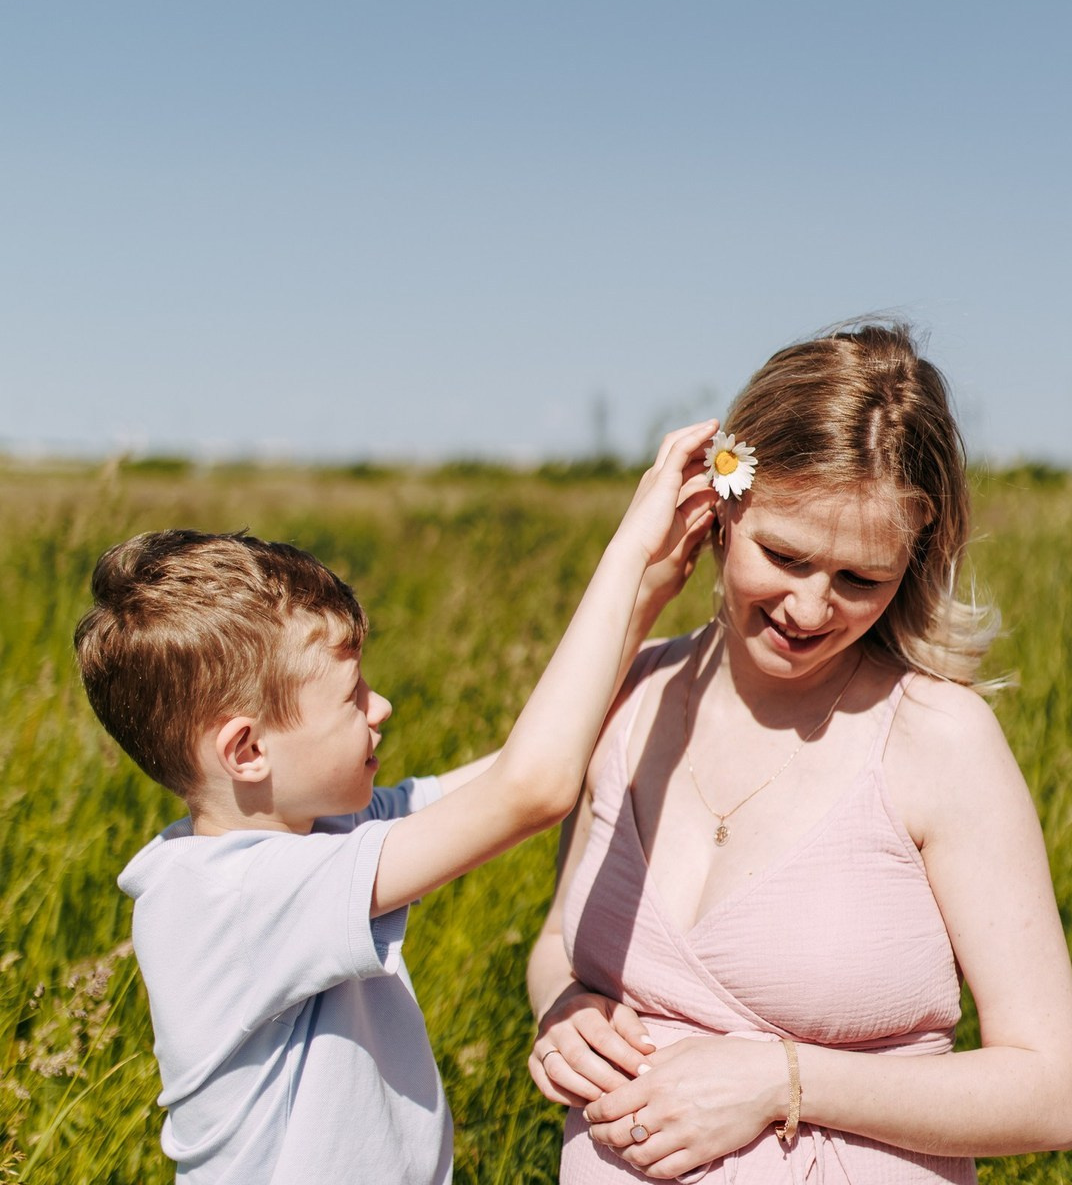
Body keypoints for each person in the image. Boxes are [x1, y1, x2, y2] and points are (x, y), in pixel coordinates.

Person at [73, 420, 720, 1185]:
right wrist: (625, 558)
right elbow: (532, 789)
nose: (379, 708)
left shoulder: (317, 832)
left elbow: (514, 770)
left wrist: (644, 603)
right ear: (246, 751)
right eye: (351, 698)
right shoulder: (231, 895)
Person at [527, 320, 1072, 1183]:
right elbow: (562, 939)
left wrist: (781, 1081)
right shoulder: (628, 696)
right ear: (720, 509)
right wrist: (562, 1011)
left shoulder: (939, 741)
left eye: (861, 579)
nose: (810, 609)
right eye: (783, 556)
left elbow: (1053, 1093)